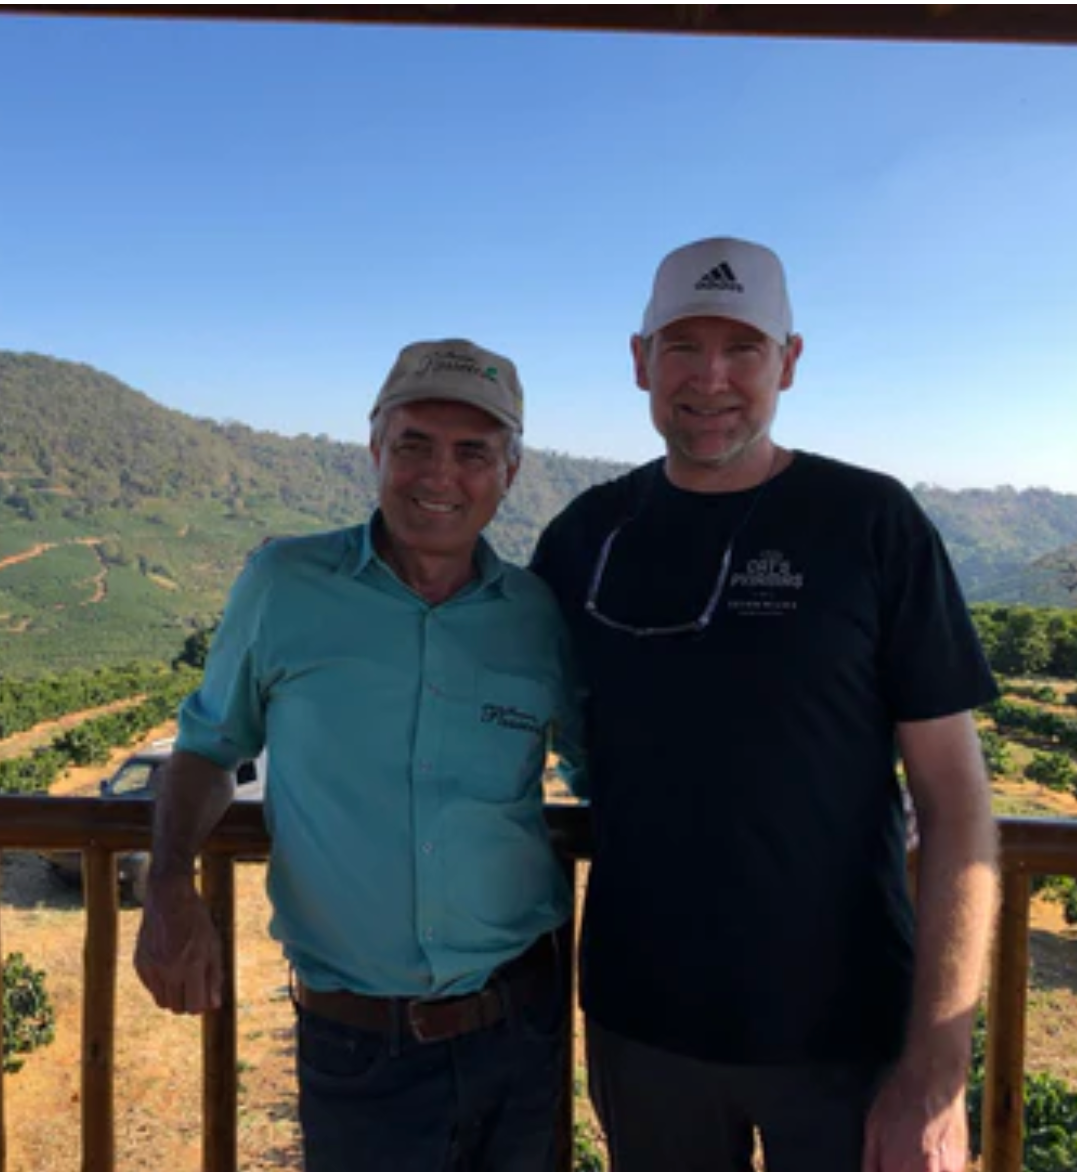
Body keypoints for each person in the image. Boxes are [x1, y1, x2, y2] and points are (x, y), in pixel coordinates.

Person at [531, 237, 999, 1172]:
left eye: (742, 348)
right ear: (639, 361)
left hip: (847, 1035)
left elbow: (954, 801)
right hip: (641, 1024)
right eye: (682, 346)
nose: (711, 377)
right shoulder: (587, 534)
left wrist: (936, 1065)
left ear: (787, 362)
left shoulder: (872, 522)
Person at [135, 338, 584, 1172]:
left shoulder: (537, 616)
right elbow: (206, 745)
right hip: (356, 1045)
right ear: (375, 450)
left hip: (523, 1026)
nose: (439, 475)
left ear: (510, 474)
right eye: (413, 443)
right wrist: (167, 882)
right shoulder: (284, 583)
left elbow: (602, 774)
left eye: (473, 452)